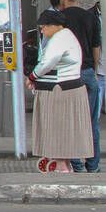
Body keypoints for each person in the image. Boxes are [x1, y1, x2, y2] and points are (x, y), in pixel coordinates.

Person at [26, 9, 93, 173]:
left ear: (53, 26)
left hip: (60, 91)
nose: (42, 31)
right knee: (67, 131)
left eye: (43, 27)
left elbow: (48, 62)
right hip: (69, 88)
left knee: (58, 130)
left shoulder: (59, 39)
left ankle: (62, 167)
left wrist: (33, 77)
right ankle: (65, 165)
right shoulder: (67, 35)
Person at [58, 0, 101, 173]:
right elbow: (96, 47)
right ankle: (92, 165)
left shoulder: (60, 19)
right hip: (89, 72)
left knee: (70, 120)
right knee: (91, 121)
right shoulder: (90, 17)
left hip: (69, 75)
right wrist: (94, 70)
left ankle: (75, 163)